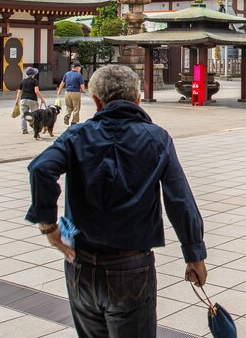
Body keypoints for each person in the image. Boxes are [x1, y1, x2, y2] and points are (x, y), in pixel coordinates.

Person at [26, 64, 207, 338]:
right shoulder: (157, 138)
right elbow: (179, 199)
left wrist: (48, 226)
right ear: (137, 99)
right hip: (131, 266)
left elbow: (40, 168)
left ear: (97, 101)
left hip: (80, 263)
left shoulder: (76, 136)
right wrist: (194, 254)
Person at [15, 67, 45, 135]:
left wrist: (17, 100)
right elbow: (36, 91)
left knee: (23, 115)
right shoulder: (35, 81)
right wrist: (42, 99)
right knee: (36, 116)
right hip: (32, 100)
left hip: (23, 100)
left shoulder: (23, 81)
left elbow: (19, 92)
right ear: (33, 74)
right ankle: (35, 129)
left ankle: (24, 130)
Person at [56, 61, 86, 126]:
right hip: (75, 93)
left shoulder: (67, 74)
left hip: (67, 92)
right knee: (76, 108)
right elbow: (82, 85)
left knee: (69, 107)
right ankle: (74, 122)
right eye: (80, 67)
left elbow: (62, 83)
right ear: (77, 68)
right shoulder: (79, 75)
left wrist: (59, 91)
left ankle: (66, 116)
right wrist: (82, 90)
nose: (80, 68)